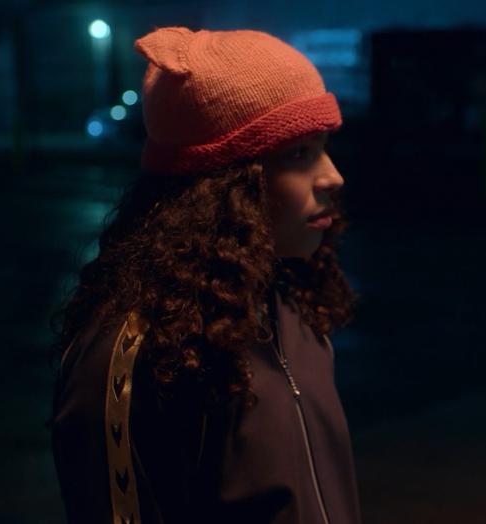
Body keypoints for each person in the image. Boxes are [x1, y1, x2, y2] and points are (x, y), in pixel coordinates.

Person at [47, 26, 362, 524]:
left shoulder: (289, 301)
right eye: (298, 154)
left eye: (324, 147)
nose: (332, 176)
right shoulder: (134, 353)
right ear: (222, 187)